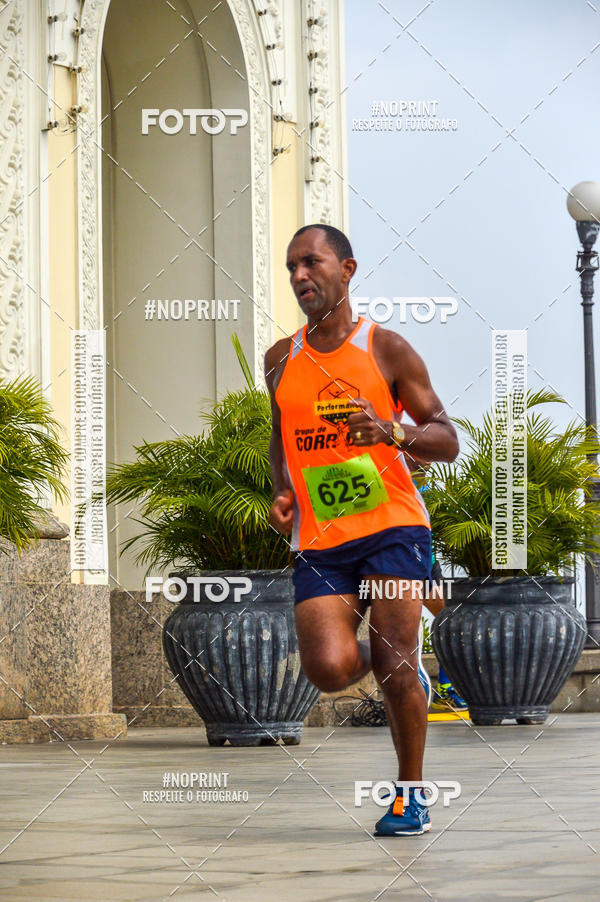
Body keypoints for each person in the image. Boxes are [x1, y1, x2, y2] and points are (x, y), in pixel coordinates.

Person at [265, 224, 459, 837]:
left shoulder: (387, 349)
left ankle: (411, 793)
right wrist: (283, 490)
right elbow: (282, 435)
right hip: (323, 539)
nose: (300, 276)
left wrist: (394, 432)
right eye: (292, 266)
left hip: (392, 526)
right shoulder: (280, 359)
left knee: (397, 666)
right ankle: (403, 663)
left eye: (312, 263)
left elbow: (446, 439)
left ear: (346, 270)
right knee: (327, 667)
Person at [407, 458, 468, 713]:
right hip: (407, 562)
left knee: (448, 621)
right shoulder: (396, 482)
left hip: (430, 564)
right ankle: (425, 690)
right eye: (421, 455)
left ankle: (446, 688)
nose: (429, 461)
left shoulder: (429, 488)